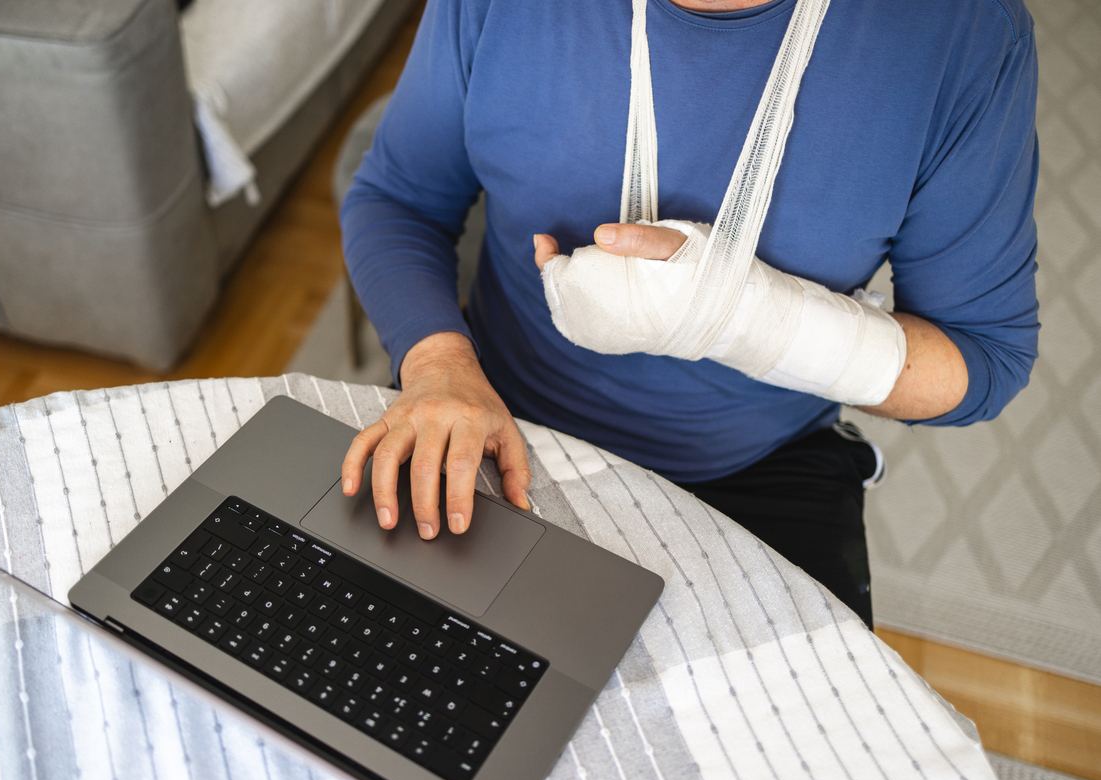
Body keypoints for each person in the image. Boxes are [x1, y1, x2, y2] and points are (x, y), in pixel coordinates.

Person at [337, 0, 1040, 627]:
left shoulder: (963, 33)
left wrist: (738, 315)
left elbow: (983, 357)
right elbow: (397, 199)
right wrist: (438, 366)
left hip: (753, 466)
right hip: (491, 408)